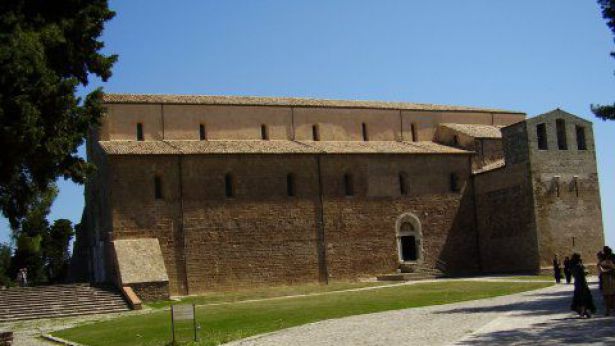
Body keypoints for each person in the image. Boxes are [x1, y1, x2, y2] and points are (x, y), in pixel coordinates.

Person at [570, 253, 596, 318]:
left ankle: (585, 312)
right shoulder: (579, 266)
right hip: (582, 283)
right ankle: (582, 313)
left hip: (577, 283)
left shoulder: (573, 266)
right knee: (583, 298)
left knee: (578, 298)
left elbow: (574, 274)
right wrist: (586, 272)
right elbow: (583, 273)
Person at [599, 247, 615, 316]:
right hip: (609, 278)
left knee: (608, 295)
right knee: (610, 295)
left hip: (608, 278)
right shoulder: (608, 259)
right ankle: (610, 309)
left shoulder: (606, 260)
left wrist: (603, 270)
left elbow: (612, 268)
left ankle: (608, 310)